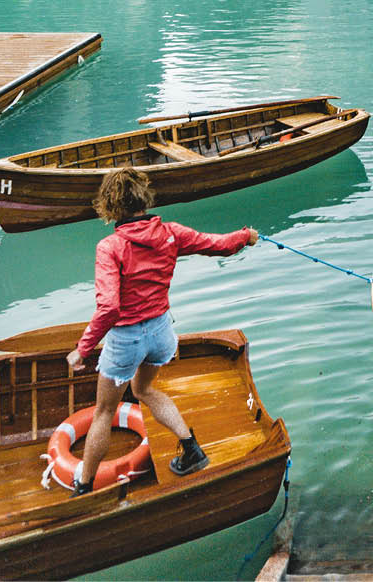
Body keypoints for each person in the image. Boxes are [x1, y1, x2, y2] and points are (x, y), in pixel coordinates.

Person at [66, 166, 257, 492]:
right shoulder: (171, 232)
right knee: (143, 391)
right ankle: (191, 449)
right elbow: (218, 244)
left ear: (110, 206)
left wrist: (82, 349)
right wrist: (245, 236)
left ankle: (83, 484)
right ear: (144, 199)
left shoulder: (110, 247)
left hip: (126, 340)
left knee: (103, 412)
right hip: (160, 333)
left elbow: (109, 307)